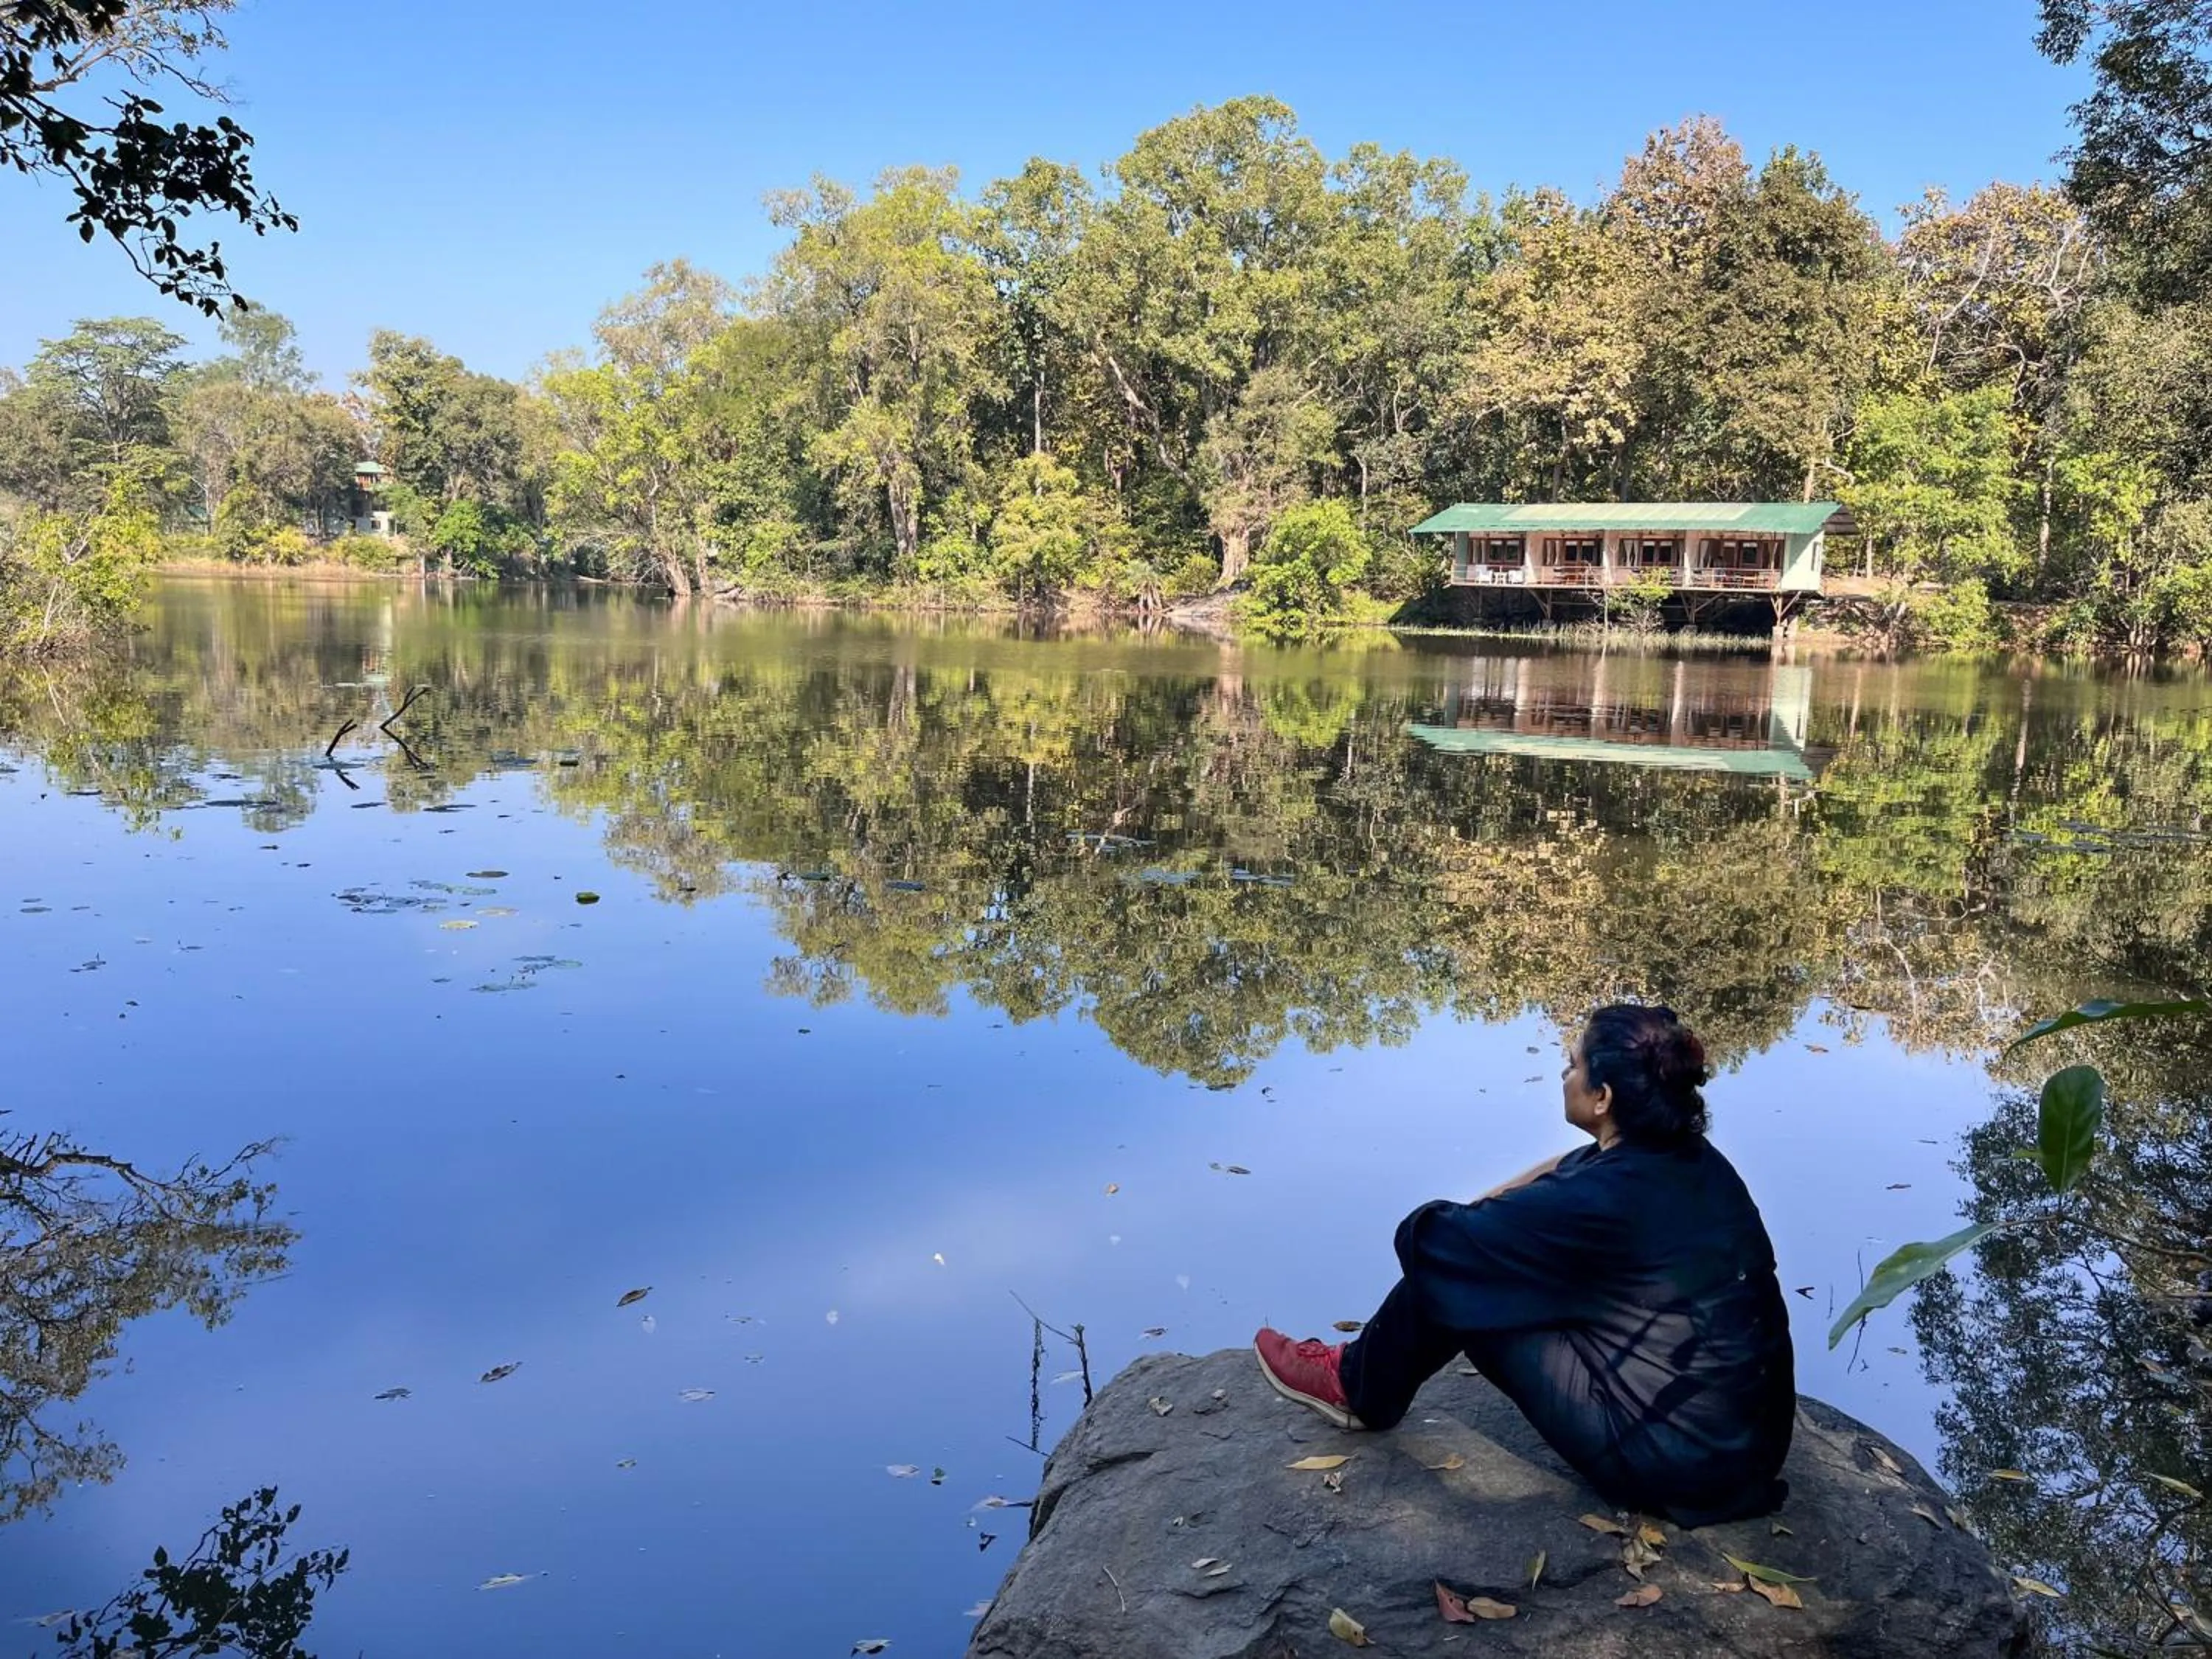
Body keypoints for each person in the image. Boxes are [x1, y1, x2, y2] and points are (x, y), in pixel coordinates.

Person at [1253, 1004, 1795, 1526]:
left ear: (1602, 1097)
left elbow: (1430, 1241)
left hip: (1668, 1467)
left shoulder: (1602, 1199)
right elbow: (1573, 1169)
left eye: (1574, 1064)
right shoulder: (1693, 1160)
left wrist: (1485, 1225)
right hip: (1744, 1456)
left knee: (1461, 1269)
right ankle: (1360, 1380)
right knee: (1490, 1256)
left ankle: (1354, 1386)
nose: (1564, 1072)